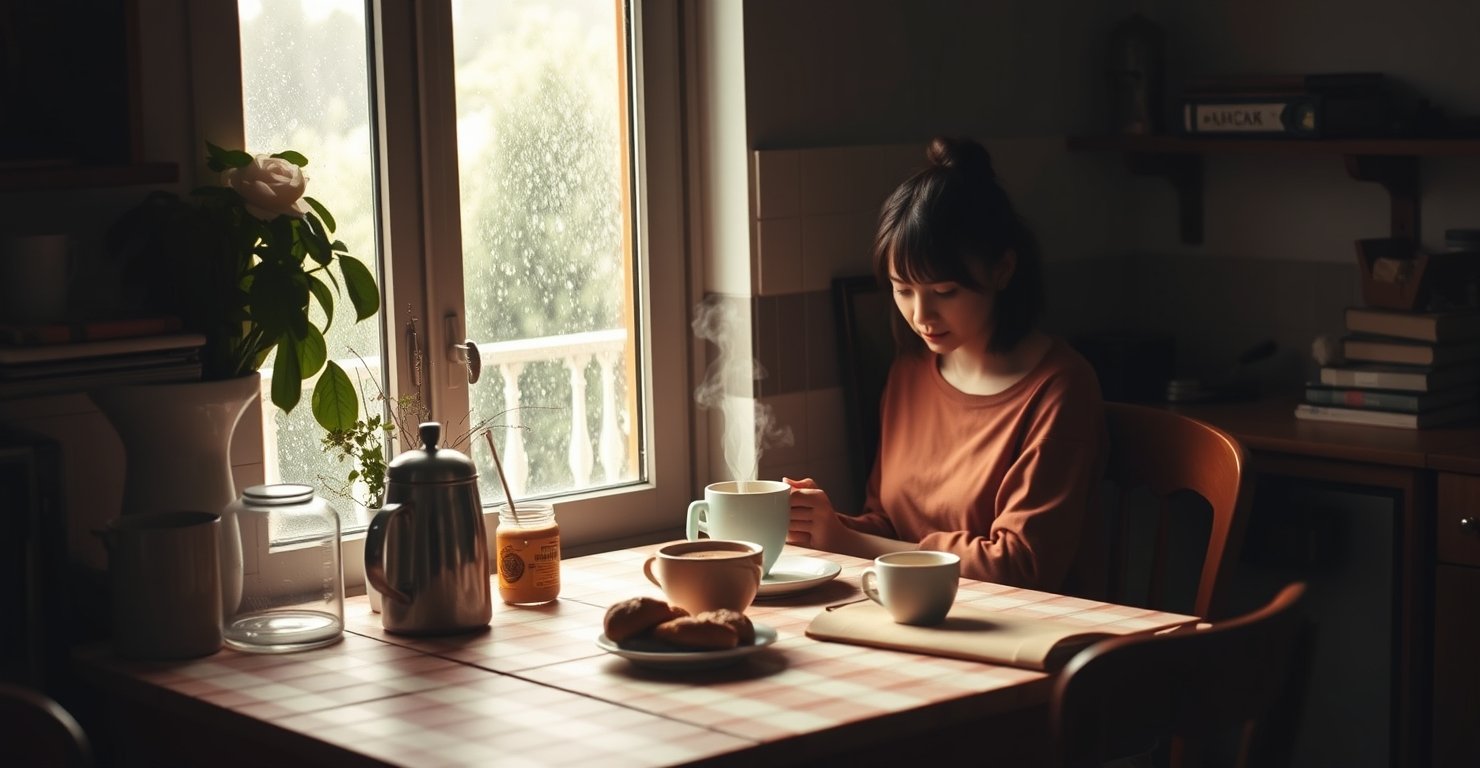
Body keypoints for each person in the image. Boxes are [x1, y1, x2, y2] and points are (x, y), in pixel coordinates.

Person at [785, 136, 1107, 597]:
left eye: (944, 292)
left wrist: (853, 542)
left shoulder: (1060, 388)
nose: (921, 316)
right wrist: (823, 524)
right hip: (915, 612)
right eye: (903, 290)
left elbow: (1020, 567)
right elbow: (888, 523)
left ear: (1002, 270)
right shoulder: (910, 373)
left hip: (1021, 622)